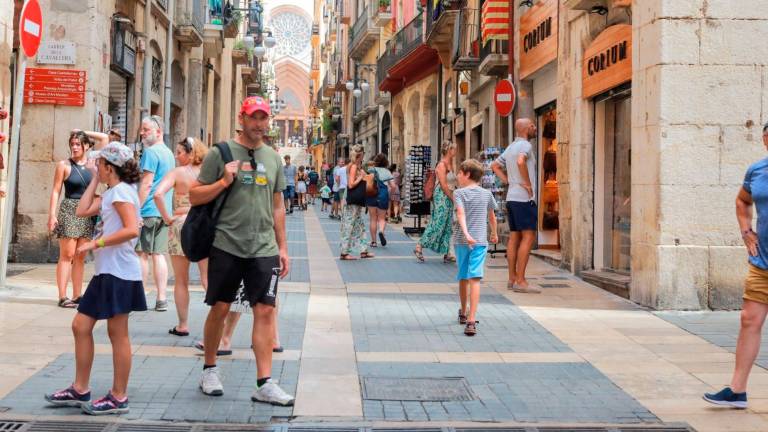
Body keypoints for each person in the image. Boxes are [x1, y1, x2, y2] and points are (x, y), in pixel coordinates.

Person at [190, 96, 294, 405]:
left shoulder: (273, 158)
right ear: (242, 118)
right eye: (254, 117)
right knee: (220, 308)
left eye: (264, 118)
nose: (260, 124)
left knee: (264, 310)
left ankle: (264, 382)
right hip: (226, 245)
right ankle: (209, 369)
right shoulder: (219, 153)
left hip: (263, 248)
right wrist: (223, 181)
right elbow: (195, 196)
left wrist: (283, 247)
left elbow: (278, 206)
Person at [45, 142, 146, 415]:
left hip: (120, 272)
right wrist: (95, 180)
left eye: (99, 163)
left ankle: (119, 396)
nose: (95, 166)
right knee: (81, 326)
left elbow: (130, 231)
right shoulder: (113, 191)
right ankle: (80, 389)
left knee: (117, 333)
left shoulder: (122, 193)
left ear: (109, 166)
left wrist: (96, 244)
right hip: (108, 272)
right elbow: (81, 210)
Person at [703, 122, 768, 410]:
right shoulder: (757, 171)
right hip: (762, 262)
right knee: (748, 321)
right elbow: (742, 202)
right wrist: (746, 231)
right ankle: (737, 391)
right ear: (766, 140)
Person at [153, 137, 209, 337]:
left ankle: (183, 325)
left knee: (181, 280)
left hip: (179, 224)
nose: (176, 156)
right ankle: (216, 323)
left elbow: (158, 194)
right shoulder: (207, 172)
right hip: (202, 225)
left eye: (179, 152)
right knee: (207, 278)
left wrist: (168, 218)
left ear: (190, 153)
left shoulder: (177, 173)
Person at [491, 118, 541, 294]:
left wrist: (508, 182)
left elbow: (494, 165)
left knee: (514, 238)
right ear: (526, 129)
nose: (535, 128)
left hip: (512, 197)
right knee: (528, 237)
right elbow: (521, 162)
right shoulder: (526, 146)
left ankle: (512, 278)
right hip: (524, 199)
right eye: (533, 126)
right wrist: (527, 183)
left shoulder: (511, 147)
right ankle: (521, 280)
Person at [48, 131, 96, 308]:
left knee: (80, 255)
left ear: (87, 146)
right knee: (67, 255)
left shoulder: (93, 166)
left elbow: (105, 140)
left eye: (78, 144)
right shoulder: (64, 165)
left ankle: (77, 294)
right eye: (72, 144)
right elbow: (55, 190)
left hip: (88, 211)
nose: (74, 147)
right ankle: (62, 296)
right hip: (69, 209)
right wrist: (52, 215)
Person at [452, 159, 498, 336]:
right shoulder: (487, 194)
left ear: (467, 174)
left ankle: (463, 312)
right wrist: (493, 233)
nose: (457, 176)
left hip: (462, 241)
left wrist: (466, 233)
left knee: (463, 277)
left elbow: (461, 214)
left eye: (460, 173)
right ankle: (471, 320)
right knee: (475, 278)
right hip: (479, 241)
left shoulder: (459, 194)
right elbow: (492, 216)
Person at [136, 115, 176, 311]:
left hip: (149, 210)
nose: (142, 133)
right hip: (164, 210)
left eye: (146, 129)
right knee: (159, 254)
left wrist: (137, 209)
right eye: (142, 129)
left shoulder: (150, 153)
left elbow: (146, 183)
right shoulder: (169, 153)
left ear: (158, 132)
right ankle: (161, 298)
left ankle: (140, 294)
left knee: (142, 253)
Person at [414, 140, 458, 263]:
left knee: (448, 224)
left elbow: (452, 182)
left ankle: (447, 252)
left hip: (449, 196)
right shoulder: (442, 165)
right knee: (438, 223)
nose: (456, 151)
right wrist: (453, 197)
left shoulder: (450, 164)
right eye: (454, 149)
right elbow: (443, 185)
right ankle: (419, 246)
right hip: (442, 197)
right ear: (449, 150)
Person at [340, 145, 374, 260]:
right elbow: (350, 184)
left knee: (359, 225)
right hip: (352, 199)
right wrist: (361, 177)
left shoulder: (357, 166)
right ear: (360, 155)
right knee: (349, 225)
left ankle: (363, 250)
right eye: (363, 153)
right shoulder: (353, 166)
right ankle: (344, 253)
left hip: (356, 199)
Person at [366, 153, 394, 247]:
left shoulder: (371, 170)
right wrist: (388, 192)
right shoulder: (387, 172)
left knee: (373, 219)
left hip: (371, 194)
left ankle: (373, 242)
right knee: (381, 218)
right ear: (386, 162)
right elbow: (393, 186)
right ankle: (381, 231)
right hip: (383, 194)